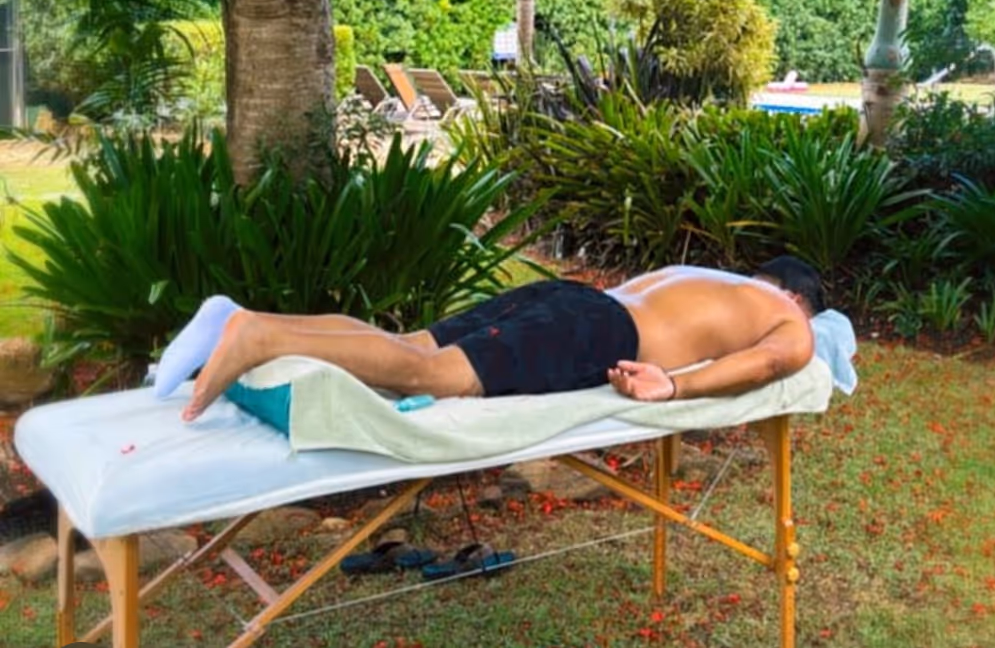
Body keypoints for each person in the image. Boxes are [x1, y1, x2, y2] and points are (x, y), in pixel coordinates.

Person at [156, 255, 823, 423]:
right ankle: (259, 335)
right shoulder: (792, 320)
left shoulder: (706, 277)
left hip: (573, 297)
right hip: (600, 329)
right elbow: (769, 364)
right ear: (799, 298)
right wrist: (672, 384)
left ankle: (237, 316)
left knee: (410, 345)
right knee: (431, 375)